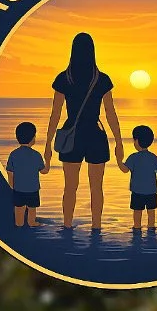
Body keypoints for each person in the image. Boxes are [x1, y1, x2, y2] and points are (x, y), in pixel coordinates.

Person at [42, 32, 123, 229]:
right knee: (97, 188)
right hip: (96, 135)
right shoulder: (101, 79)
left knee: (70, 187)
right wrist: (119, 142)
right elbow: (110, 113)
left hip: (71, 136)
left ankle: (67, 226)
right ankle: (96, 228)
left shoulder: (64, 78)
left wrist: (48, 143)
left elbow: (55, 114)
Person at [119, 125, 157, 236]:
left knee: (137, 213)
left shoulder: (133, 157)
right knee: (151, 212)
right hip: (151, 191)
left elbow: (125, 170)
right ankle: (151, 229)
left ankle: (137, 228)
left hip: (137, 191)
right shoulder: (153, 157)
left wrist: (119, 160)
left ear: (137, 141)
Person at [5, 121, 44, 229]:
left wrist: (12, 185)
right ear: (33, 138)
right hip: (33, 189)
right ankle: (32, 222)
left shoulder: (13, 154)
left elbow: (10, 172)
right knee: (32, 208)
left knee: (19, 208)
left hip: (19, 188)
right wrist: (48, 161)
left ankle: (19, 223)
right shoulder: (36, 155)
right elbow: (43, 170)